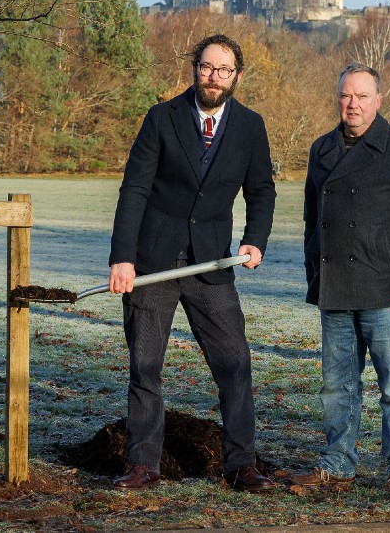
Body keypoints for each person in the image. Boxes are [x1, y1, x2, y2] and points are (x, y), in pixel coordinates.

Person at [107, 33, 277, 493]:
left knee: (235, 364)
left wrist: (254, 240)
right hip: (153, 264)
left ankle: (241, 465)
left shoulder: (250, 126)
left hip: (212, 265)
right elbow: (135, 190)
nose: (214, 77)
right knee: (145, 367)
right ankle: (143, 464)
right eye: (206, 67)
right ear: (194, 68)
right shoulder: (161, 118)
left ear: (237, 75)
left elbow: (261, 190)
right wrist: (123, 258)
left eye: (223, 70)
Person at [294, 63, 390, 495]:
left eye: (361, 96)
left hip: (385, 289)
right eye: (345, 96)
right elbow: (311, 221)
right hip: (335, 287)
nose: (352, 104)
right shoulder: (321, 149)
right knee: (336, 386)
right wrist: (315, 273)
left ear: (378, 99)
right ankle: (337, 464)